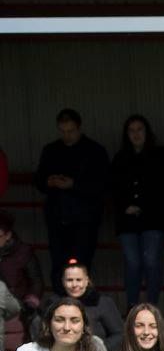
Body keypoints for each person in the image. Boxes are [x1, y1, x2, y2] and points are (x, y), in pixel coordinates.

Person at [33, 109, 110, 274]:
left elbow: (102, 184)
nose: (67, 135)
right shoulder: (50, 150)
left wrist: (74, 185)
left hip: (85, 218)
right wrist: (49, 181)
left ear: (79, 128)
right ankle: (61, 298)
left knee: (80, 265)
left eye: (71, 131)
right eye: (62, 131)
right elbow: (39, 180)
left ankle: (79, 299)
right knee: (58, 264)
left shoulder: (95, 151)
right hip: (57, 215)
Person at [109, 115, 164, 309]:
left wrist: (143, 205)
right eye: (132, 130)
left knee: (151, 261)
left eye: (140, 130)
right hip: (127, 219)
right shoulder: (120, 158)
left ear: (147, 132)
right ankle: (132, 307)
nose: (136, 134)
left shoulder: (160, 155)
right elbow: (113, 188)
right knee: (133, 263)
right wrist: (125, 206)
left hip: (153, 218)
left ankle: (152, 307)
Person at [55, 260, 123, 351]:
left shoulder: (102, 303)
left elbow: (119, 334)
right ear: (63, 281)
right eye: (69, 280)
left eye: (78, 280)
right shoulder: (55, 304)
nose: (74, 284)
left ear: (87, 280)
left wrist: (100, 350)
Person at [0, 212, 47, 351]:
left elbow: (36, 281)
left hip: (16, 303)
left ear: (8, 235)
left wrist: (31, 302)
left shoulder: (22, 252)